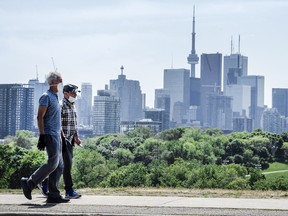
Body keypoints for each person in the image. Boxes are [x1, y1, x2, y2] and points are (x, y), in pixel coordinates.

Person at [20, 72, 70, 203]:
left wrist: (63, 137)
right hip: (49, 134)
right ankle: (30, 182)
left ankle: (54, 195)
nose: (61, 84)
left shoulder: (55, 98)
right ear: (52, 82)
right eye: (60, 81)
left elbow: (57, 120)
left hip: (57, 135)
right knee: (53, 163)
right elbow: (39, 117)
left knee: (59, 166)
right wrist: (42, 136)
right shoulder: (46, 97)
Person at [40, 84, 82, 199]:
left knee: (61, 166)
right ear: (66, 93)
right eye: (73, 92)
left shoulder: (73, 105)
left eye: (75, 92)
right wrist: (63, 139)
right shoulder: (60, 105)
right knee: (66, 166)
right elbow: (57, 125)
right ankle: (69, 190)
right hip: (62, 140)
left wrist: (76, 137)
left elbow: (74, 124)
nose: (75, 95)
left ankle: (45, 183)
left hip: (70, 139)